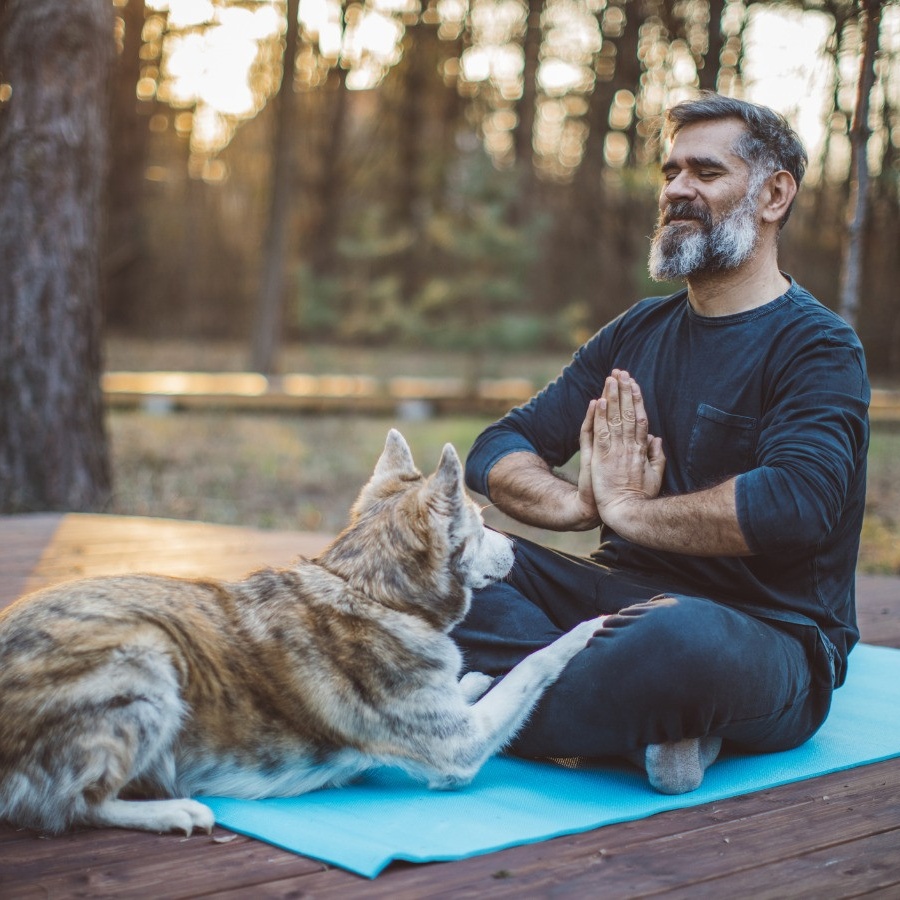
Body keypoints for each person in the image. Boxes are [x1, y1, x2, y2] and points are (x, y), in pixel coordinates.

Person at [452, 92, 870, 794]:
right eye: (670, 172)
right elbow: (499, 446)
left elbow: (796, 504)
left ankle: (468, 703)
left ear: (774, 194)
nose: (677, 189)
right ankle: (629, 731)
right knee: (440, 563)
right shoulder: (636, 331)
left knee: (678, 642)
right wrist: (575, 505)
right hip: (612, 604)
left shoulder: (819, 346)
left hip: (764, 635)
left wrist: (631, 514)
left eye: (705, 173)